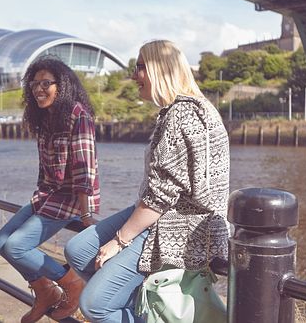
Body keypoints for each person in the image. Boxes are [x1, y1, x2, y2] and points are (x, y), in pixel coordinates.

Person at [64, 40, 230, 322]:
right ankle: (146, 306)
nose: (133, 76)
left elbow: (162, 196)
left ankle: (142, 312)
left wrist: (119, 240)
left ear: (160, 68)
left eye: (140, 67)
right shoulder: (180, 110)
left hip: (177, 223)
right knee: (78, 252)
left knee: (95, 305)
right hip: (161, 210)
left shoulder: (183, 114)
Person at [0, 57, 100, 323]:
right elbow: (44, 169)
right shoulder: (44, 119)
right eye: (34, 84)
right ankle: (45, 292)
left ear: (62, 86)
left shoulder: (78, 115)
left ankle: (73, 284)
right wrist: (37, 199)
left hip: (72, 199)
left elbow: (84, 168)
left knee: (17, 246)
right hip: (47, 195)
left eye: (46, 83)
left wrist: (86, 216)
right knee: (1, 241)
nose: (38, 89)